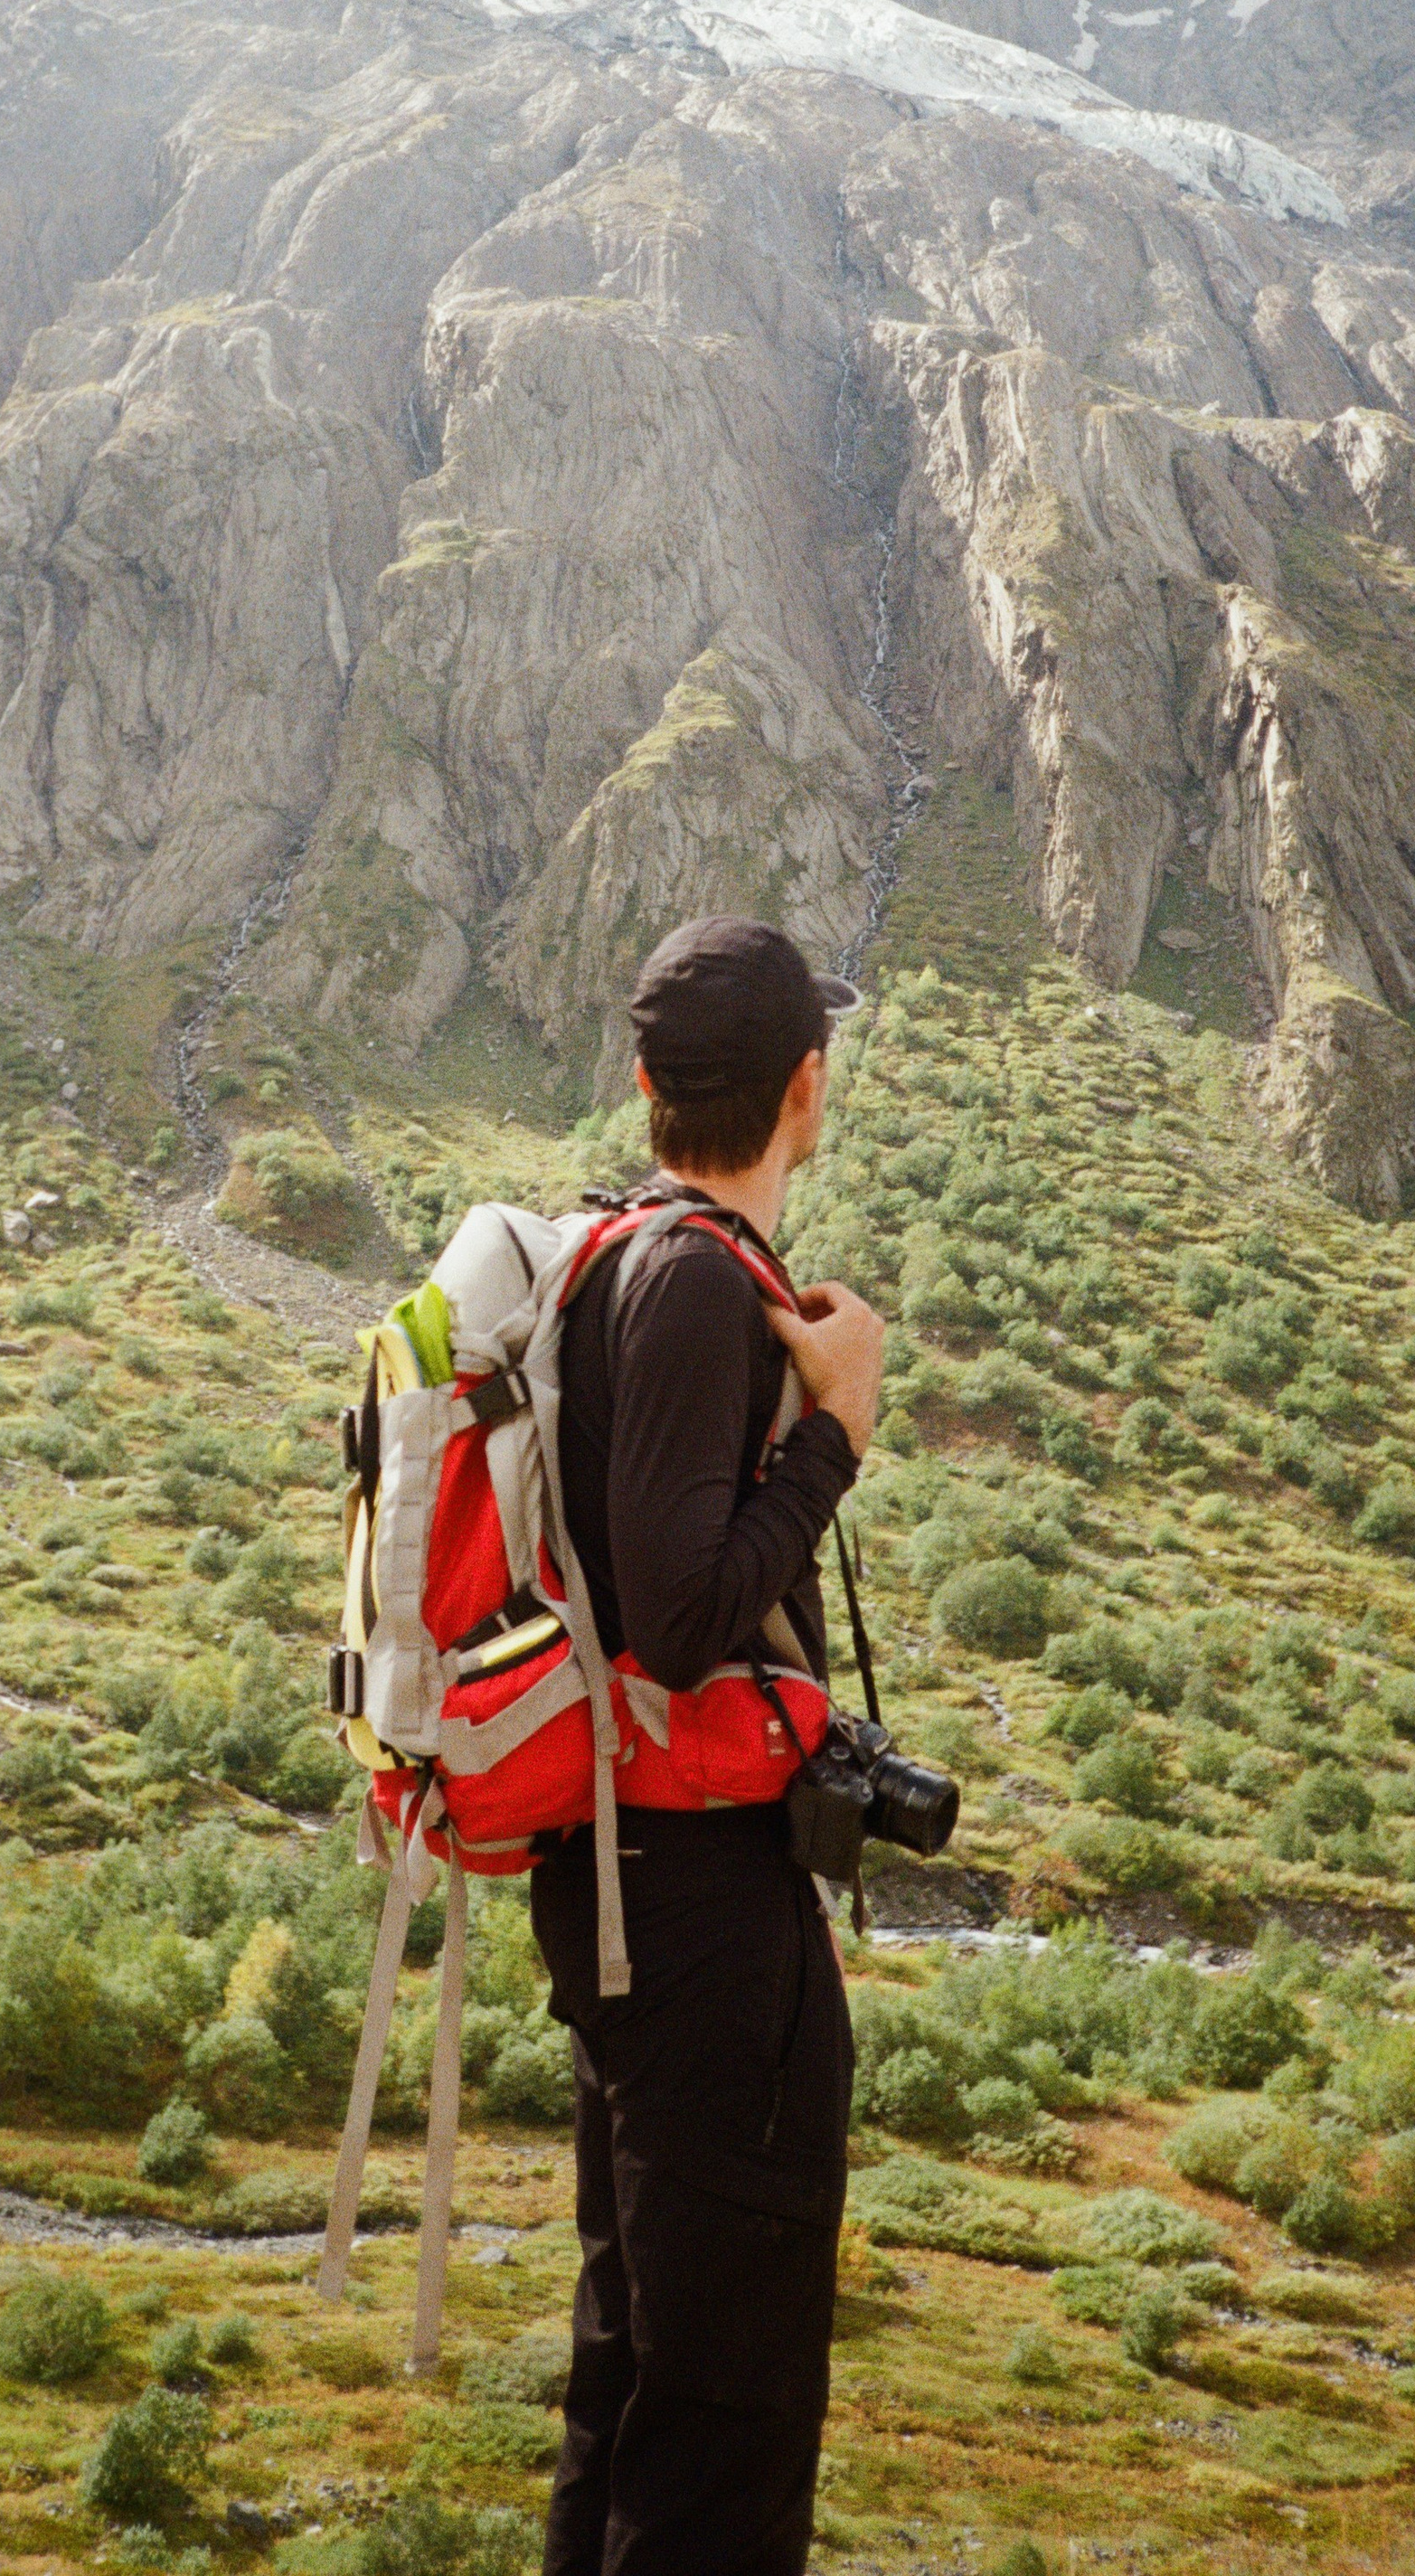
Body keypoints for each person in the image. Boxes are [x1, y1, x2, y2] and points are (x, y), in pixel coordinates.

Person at [530, 913, 886, 2576]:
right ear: (805, 1088)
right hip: (703, 1927)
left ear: (648, 1082)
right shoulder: (684, 1279)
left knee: (639, 2383)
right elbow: (682, 1614)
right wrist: (832, 1438)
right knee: (724, 2439)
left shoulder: (628, 1255)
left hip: (633, 1892)